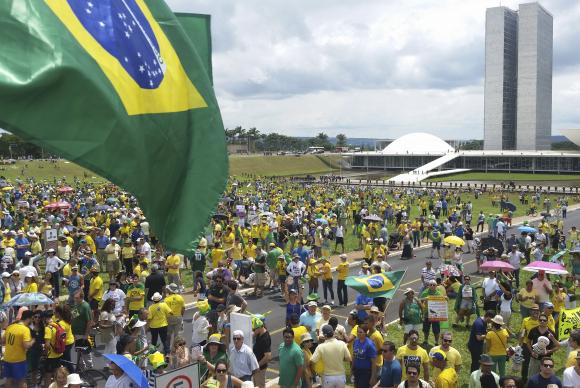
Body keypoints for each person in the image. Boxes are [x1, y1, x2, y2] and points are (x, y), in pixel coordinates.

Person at [1, 309, 35, 388]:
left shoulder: (10, 326)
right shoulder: (25, 330)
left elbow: (2, 341)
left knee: (8, 379)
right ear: (29, 318)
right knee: (22, 381)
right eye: (32, 319)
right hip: (19, 360)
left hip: (7, 358)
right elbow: (26, 345)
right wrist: (32, 341)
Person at [526, 313, 559, 379]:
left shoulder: (551, 332)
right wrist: (531, 352)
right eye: (540, 320)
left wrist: (548, 351)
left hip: (546, 360)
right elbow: (528, 342)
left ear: (547, 321)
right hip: (535, 358)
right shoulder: (533, 330)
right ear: (538, 320)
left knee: (546, 378)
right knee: (532, 377)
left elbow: (557, 346)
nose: (542, 321)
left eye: (544, 320)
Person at [71, 291, 93, 369]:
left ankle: (89, 367)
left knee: (85, 351)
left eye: (76, 298)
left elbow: (89, 321)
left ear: (81, 297)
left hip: (82, 333)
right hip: (76, 333)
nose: (75, 299)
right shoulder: (76, 305)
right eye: (74, 297)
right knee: (78, 350)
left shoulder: (85, 306)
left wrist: (86, 334)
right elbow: (74, 317)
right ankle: (80, 366)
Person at [419, 280, 442, 346]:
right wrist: (424, 299)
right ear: (428, 285)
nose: (432, 286)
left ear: (436, 286)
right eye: (431, 284)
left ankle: (436, 342)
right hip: (426, 314)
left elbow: (442, 303)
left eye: (434, 285)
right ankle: (425, 340)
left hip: (435, 315)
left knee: (436, 330)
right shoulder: (425, 292)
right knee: (426, 329)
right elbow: (420, 300)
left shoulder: (438, 293)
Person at [252, 317, 271, 388]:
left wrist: (257, 366)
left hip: (260, 368)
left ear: (260, 327)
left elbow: (268, 356)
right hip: (256, 367)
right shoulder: (259, 334)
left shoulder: (265, 339)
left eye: (254, 329)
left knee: (260, 386)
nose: (253, 331)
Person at [164, 283, 185, 348]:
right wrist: (181, 315)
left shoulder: (166, 299)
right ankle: (177, 348)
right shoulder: (180, 297)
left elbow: (165, 310)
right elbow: (183, 308)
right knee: (177, 335)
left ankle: (167, 348)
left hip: (169, 318)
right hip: (178, 317)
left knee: (168, 334)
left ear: (170, 290)